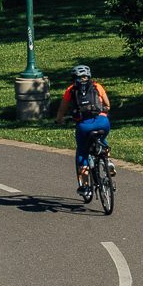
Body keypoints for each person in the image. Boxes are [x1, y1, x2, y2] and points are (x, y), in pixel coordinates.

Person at [56, 64, 111, 195]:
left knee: (82, 153)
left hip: (84, 126)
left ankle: (86, 187)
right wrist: (103, 113)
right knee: (102, 140)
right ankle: (107, 161)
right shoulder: (97, 86)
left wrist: (59, 120)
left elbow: (62, 109)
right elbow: (107, 105)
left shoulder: (71, 90)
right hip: (103, 122)